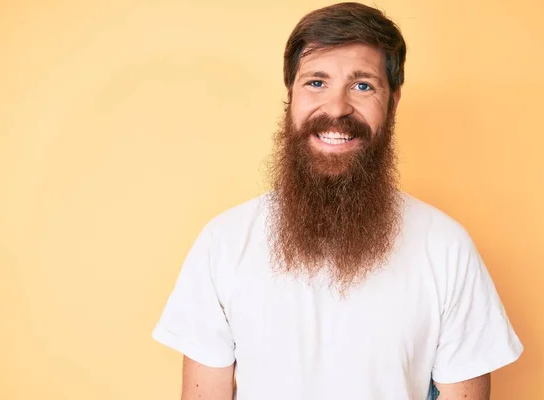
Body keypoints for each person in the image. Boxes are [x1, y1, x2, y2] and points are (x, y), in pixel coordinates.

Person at [152, 2, 523, 399]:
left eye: (363, 85)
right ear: (290, 95)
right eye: (316, 82)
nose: (336, 107)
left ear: (392, 103)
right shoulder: (223, 243)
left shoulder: (447, 248)